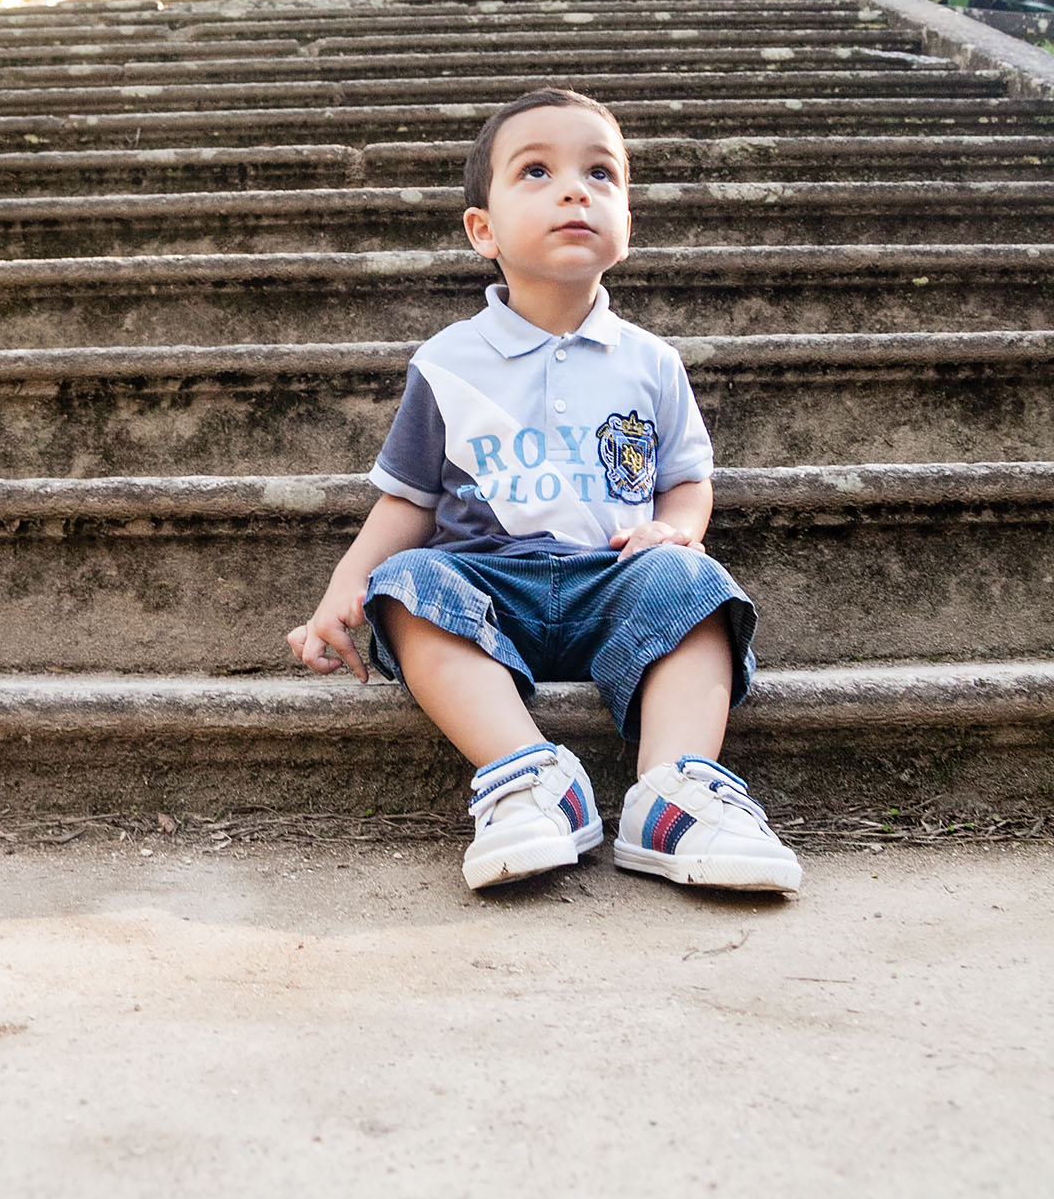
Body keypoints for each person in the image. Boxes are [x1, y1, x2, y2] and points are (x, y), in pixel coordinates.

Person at [288, 86, 801, 895]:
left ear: (626, 227)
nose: (575, 189)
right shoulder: (449, 360)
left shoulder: (651, 361)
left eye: (602, 174)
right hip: (488, 584)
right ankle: (528, 779)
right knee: (409, 583)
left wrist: (676, 530)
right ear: (483, 231)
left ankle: (676, 796)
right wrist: (347, 583)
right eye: (536, 171)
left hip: (614, 578)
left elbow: (685, 481)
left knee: (697, 584)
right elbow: (410, 499)